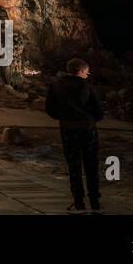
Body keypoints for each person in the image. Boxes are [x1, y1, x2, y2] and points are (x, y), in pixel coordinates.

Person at [45, 58, 103, 212]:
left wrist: (63, 116)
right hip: (87, 129)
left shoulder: (56, 86)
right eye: (87, 72)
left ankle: (79, 203)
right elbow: (99, 111)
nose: (87, 75)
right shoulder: (88, 87)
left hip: (68, 129)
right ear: (82, 71)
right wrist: (90, 118)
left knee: (74, 165)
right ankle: (95, 203)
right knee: (91, 165)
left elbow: (50, 108)